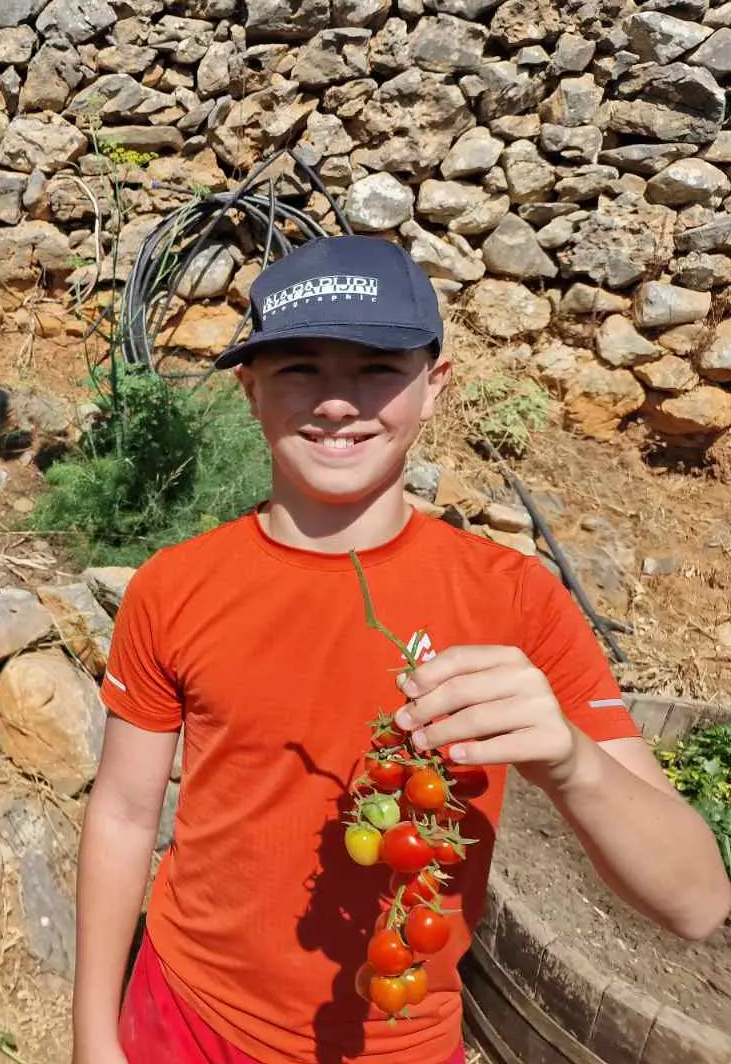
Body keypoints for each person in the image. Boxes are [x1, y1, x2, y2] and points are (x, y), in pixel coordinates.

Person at [71, 235, 731, 1064]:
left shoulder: (517, 601)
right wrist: (93, 1037)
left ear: (436, 387)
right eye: (300, 368)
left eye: (379, 368)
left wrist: (571, 762)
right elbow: (126, 814)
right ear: (250, 389)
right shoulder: (175, 586)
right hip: (184, 1019)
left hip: (398, 1041)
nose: (338, 402)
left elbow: (697, 903)